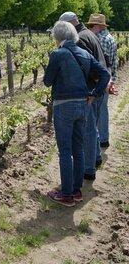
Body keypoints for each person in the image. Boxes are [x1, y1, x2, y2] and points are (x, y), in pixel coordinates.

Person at [44, 21, 109, 206]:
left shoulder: (58, 54)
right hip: (83, 105)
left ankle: (66, 195)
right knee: (78, 148)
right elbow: (104, 73)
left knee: (65, 150)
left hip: (63, 105)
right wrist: (95, 94)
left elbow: (47, 81)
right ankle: (76, 190)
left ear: (57, 37)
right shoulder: (84, 53)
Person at [59, 11, 107, 181]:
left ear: (70, 24)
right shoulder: (90, 34)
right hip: (98, 87)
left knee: (87, 130)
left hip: (90, 90)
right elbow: (104, 59)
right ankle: (96, 158)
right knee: (92, 126)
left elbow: (89, 66)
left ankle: (88, 169)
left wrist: (91, 89)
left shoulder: (79, 38)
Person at [87, 13, 118, 149]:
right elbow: (114, 62)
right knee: (103, 109)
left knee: (95, 110)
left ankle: (97, 140)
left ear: (98, 26)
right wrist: (112, 79)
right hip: (108, 76)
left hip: (98, 78)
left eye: (92, 25)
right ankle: (104, 139)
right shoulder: (110, 38)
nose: (90, 27)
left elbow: (97, 64)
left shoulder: (97, 38)